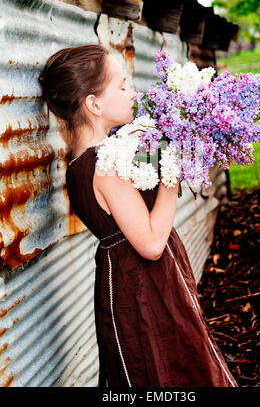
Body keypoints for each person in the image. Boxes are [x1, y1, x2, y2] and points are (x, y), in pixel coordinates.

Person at [38, 43, 238, 388]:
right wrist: (172, 172)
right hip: (141, 285)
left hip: (140, 280)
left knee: (173, 360)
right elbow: (150, 243)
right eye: (122, 85)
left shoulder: (99, 153)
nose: (133, 92)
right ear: (94, 104)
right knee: (162, 367)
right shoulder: (103, 166)